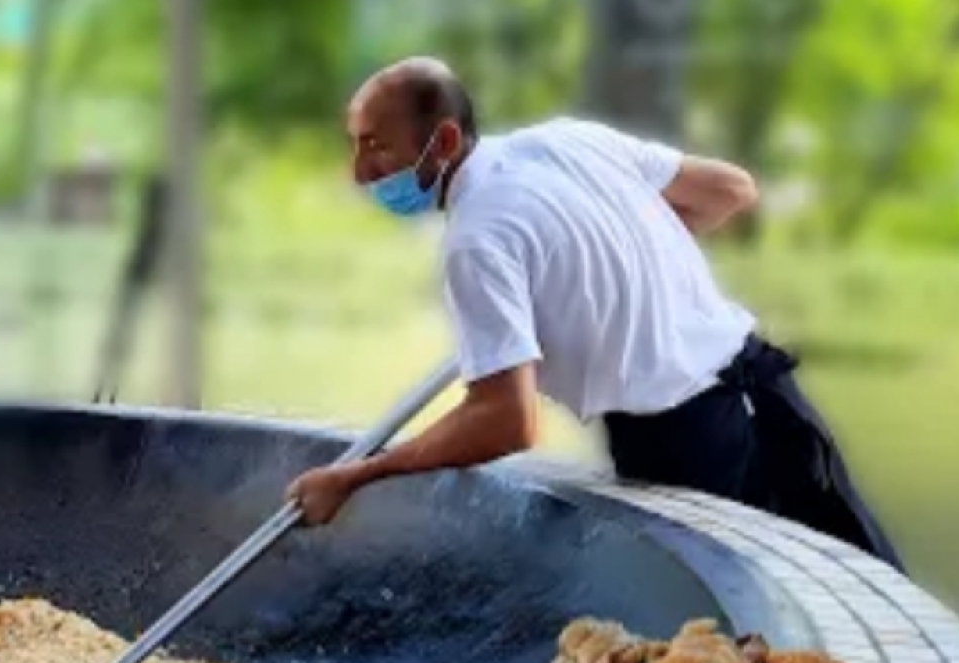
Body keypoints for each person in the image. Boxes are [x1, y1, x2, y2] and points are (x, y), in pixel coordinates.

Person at [286, 57, 903, 570]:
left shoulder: (477, 241)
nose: (360, 172)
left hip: (687, 445)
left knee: (737, 654)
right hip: (769, 396)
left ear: (444, 141)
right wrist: (629, 265)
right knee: (871, 589)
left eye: (377, 146)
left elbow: (503, 421)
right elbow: (729, 190)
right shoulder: (565, 140)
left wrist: (355, 478)